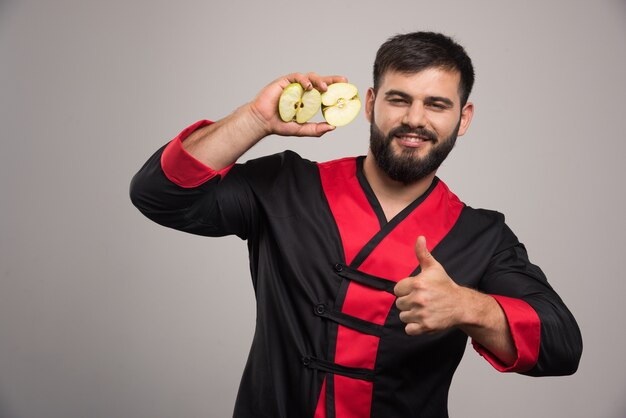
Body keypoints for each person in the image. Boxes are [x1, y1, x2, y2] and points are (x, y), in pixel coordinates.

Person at [130, 31, 582, 418]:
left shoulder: (483, 237)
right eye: (398, 99)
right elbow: (158, 193)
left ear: (462, 119)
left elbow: (562, 346)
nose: (414, 119)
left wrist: (468, 307)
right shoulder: (286, 185)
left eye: (437, 104)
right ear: (369, 104)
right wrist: (254, 120)